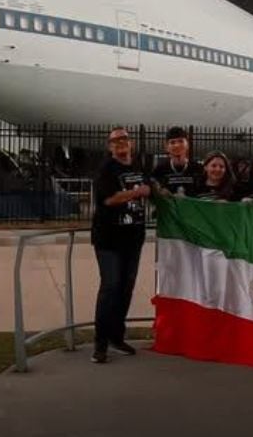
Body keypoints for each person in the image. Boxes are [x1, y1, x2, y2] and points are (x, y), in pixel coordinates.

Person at [90, 126, 151, 364]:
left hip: (133, 237)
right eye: (115, 141)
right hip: (109, 239)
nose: (121, 143)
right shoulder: (106, 169)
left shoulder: (137, 166)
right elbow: (108, 199)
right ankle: (100, 343)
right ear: (110, 146)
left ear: (131, 142)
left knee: (126, 288)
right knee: (110, 286)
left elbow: (150, 188)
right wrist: (137, 193)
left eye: (124, 139)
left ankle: (117, 336)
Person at [151, 127, 204, 197]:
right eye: (172, 142)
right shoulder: (159, 170)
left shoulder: (198, 169)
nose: (177, 145)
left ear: (187, 145)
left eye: (181, 141)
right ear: (166, 147)